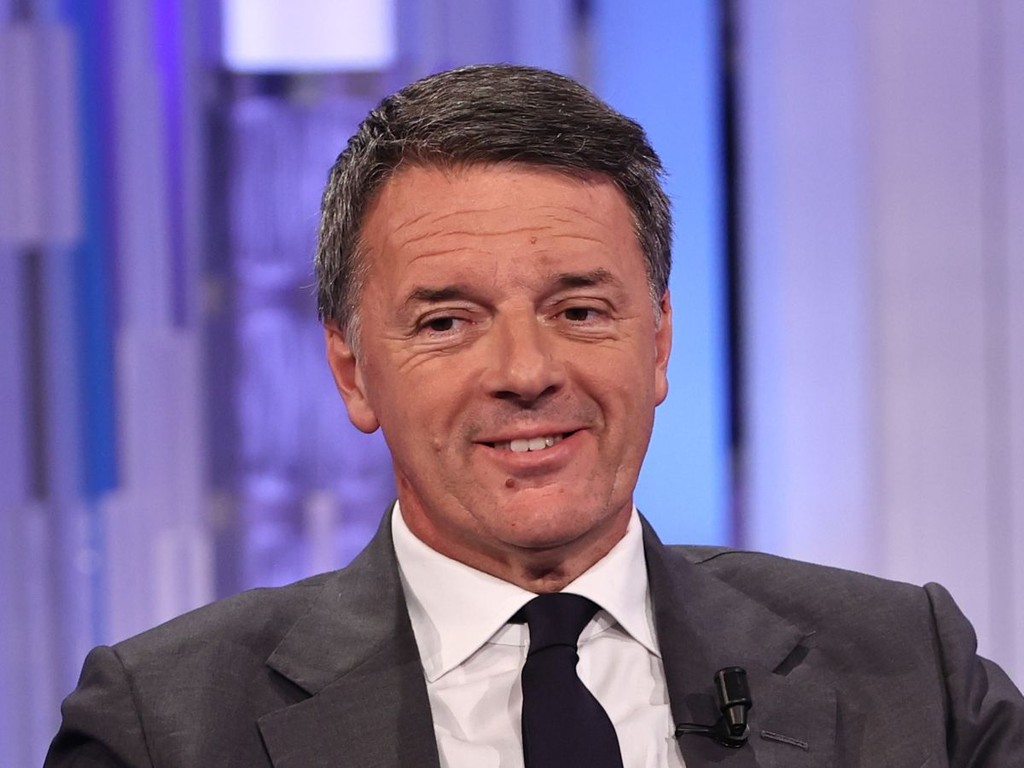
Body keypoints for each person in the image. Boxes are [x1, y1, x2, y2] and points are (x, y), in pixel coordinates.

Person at [46, 64, 1023, 768]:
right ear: (352, 372)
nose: (526, 372)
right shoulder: (167, 727)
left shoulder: (912, 671)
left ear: (658, 343)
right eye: (447, 321)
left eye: (580, 310)